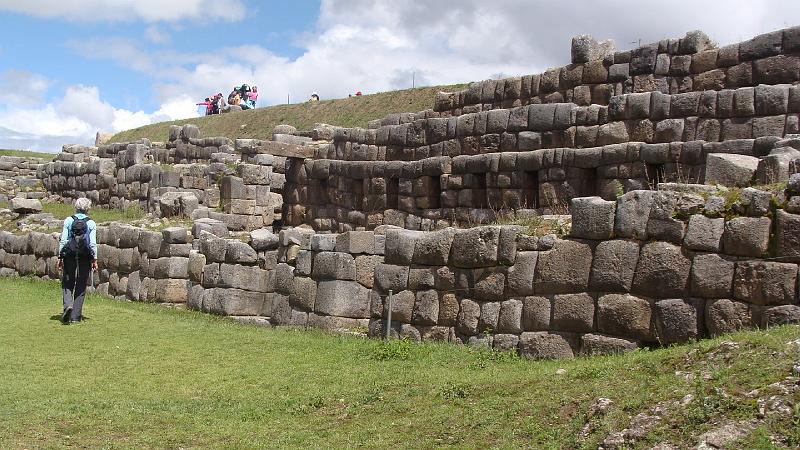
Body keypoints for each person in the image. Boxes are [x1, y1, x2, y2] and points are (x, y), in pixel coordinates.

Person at [56, 197, 98, 324]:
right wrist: (94, 259)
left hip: (70, 254)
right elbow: (92, 243)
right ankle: (75, 316)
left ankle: (68, 305)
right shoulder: (91, 223)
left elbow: (63, 239)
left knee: (67, 282)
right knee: (81, 284)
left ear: (76, 206)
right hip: (85, 256)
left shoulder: (69, 220)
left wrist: (60, 256)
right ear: (88, 208)